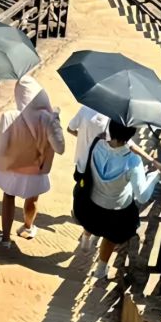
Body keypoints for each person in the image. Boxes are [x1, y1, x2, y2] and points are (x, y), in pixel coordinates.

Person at [76, 118, 161, 280]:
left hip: (91, 202)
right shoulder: (132, 161)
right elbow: (142, 195)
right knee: (110, 237)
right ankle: (100, 270)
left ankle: (86, 240)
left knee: (91, 221)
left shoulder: (96, 144)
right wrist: (154, 175)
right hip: (116, 210)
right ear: (131, 134)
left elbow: (82, 166)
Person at [0, 77, 64, 249]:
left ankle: (5, 238)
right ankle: (28, 228)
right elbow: (60, 149)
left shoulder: (9, 116)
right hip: (36, 169)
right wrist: (56, 123)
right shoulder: (48, 119)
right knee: (33, 198)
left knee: (8, 197)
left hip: (12, 168)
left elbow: (0, 150)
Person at [68, 105, 109, 253]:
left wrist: (83, 139)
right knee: (93, 200)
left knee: (80, 190)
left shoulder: (85, 109)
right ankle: (86, 233)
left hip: (81, 163)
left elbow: (70, 128)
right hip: (97, 167)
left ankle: (78, 213)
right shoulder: (110, 118)